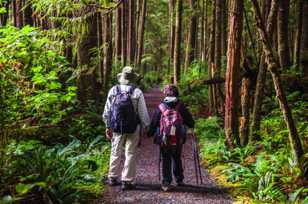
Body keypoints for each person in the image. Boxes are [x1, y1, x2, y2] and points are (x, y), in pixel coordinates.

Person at [102, 66, 150, 190]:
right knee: (130, 153)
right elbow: (142, 112)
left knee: (115, 151)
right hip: (133, 127)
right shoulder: (137, 91)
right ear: (133, 78)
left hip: (117, 126)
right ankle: (127, 180)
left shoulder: (114, 90)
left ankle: (112, 177)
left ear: (122, 77)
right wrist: (146, 127)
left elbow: (107, 111)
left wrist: (107, 126)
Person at [147, 85, 194, 191]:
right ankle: (179, 179)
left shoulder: (161, 107)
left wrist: (150, 133)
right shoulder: (180, 106)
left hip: (164, 137)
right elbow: (190, 122)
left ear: (166, 94)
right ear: (177, 94)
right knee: (177, 156)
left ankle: (166, 182)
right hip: (178, 138)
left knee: (165, 158)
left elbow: (154, 123)